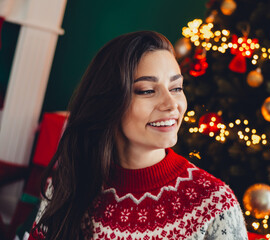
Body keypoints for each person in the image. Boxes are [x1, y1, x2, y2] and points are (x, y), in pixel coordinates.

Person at [29, 31, 248, 240]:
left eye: (177, 88)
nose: (172, 104)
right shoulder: (67, 185)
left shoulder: (215, 204)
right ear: (109, 102)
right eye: (147, 90)